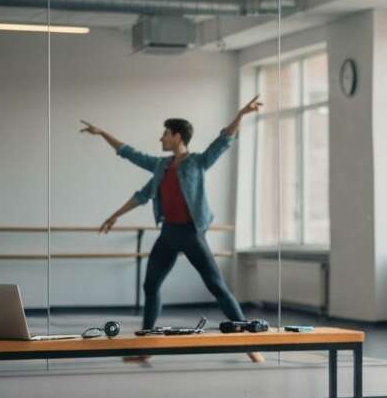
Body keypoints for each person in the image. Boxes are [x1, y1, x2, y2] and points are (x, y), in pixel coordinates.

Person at [81, 97, 263, 362]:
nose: (161, 138)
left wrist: (241, 114)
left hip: (191, 234)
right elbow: (131, 160)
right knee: (150, 285)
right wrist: (114, 215)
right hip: (168, 234)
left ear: (178, 137)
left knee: (217, 286)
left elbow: (223, 141)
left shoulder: (198, 162)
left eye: (165, 133)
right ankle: (146, 349)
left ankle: (251, 343)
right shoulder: (160, 166)